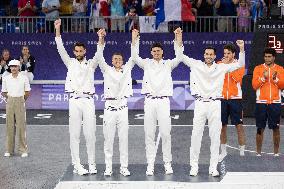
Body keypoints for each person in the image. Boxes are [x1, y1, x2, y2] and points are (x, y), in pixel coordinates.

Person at [182, 40, 245, 177]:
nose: (208, 56)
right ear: (204, 55)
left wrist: (241, 49)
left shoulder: (222, 67)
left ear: (215, 56)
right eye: (206, 54)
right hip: (200, 104)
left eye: (211, 54)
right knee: (196, 136)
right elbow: (181, 56)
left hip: (215, 104)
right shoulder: (196, 64)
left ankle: (213, 167)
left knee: (215, 137)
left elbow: (240, 64)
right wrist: (179, 39)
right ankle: (194, 166)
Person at [54, 19, 104, 176]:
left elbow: (99, 52)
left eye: (81, 51)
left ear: (84, 51)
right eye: (76, 51)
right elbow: (60, 48)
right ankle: (77, 164)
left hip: (88, 101)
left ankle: (92, 164)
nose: (78, 53)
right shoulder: (70, 63)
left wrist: (101, 38)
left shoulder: (91, 64)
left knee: (90, 134)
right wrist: (57, 29)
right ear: (74, 52)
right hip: (74, 101)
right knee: (74, 134)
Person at [131, 28, 183, 176]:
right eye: (154, 51)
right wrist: (135, 38)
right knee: (149, 134)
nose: (156, 53)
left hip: (164, 102)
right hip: (149, 101)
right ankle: (150, 164)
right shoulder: (146, 63)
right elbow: (134, 56)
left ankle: (167, 163)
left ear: (162, 52)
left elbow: (179, 56)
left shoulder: (168, 64)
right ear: (151, 52)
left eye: (158, 51)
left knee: (166, 134)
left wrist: (178, 36)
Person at [98, 29, 135, 177]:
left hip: (123, 109)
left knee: (123, 140)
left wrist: (133, 38)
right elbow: (99, 57)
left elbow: (134, 56)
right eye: (115, 59)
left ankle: (124, 167)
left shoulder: (127, 70)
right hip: (109, 109)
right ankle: (108, 167)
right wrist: (101, 39)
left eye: (119, 59)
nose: (117, 61)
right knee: (108, 140)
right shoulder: (106, 70)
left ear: (122, 61)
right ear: (112, 61)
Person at [252, 48, 284, 157]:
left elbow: (282, 85)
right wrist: (263, 78)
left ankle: (276, 153)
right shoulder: (258, 68)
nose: (267, 58)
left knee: (276, 128)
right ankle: (258, 153)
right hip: (261, 103)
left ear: (274, 57)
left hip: (275, 103)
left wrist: (275, 79)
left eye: (269, 56)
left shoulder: (280, 69)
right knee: (260, 128)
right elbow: (254, 86)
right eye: (265, 56)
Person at [218, 43, 246, 162]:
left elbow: (237, 79)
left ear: (233, 54)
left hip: (235, 99)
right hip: (222, 99)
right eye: (225, 53)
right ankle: (223, 152)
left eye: (228, 53)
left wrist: (226, 67)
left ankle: (242, 152)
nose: (226, 55)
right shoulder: (219, 64)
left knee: (239, 126)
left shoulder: (239, 65)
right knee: (222, 126)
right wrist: (223, 66)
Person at [2, 59, 31, 158]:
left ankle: (23, 150)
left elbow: (27, 92)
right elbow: (4, 92)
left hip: (20, 101)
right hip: (10, 101)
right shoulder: (6, 78)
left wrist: (21, 100)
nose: (13, 68)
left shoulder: (24, 78)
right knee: (9, 126)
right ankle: (9, 150)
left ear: (19, 67)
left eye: (15, 66)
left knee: (21, 127)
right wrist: (11, 99)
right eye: (12, 66)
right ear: (9, 68)